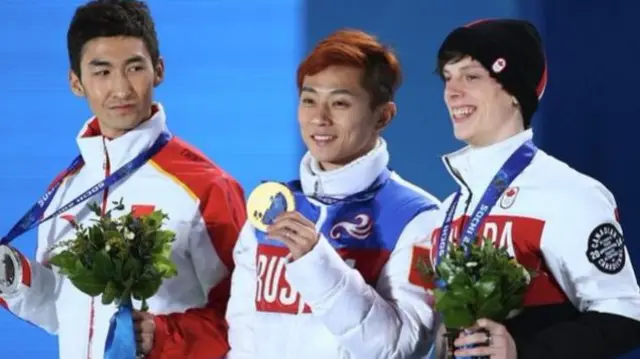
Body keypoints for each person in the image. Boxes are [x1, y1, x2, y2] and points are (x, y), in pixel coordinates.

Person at [0, 1, 246, 358]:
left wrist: (161, 337)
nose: (121, 89)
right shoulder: (66, 187)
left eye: (134, 68)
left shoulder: (206, 187)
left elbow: (245, 318)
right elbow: (64, 312)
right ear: (75, 82)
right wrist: (13, 278)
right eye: (101, 72)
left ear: (158, 70)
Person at [426, 18, 640, 359]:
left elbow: (625, 316)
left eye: (472, 76)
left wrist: (522, 352)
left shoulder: (569, 194)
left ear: (514, 92)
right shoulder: (448, 209)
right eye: (448, 77)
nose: (452, 92)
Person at [226, 29, 441, 359]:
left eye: (340, 103)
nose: (319, 118)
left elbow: (400, 348)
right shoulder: (271, 208)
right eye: (309, 100)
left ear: (383, 116)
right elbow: (243, 339)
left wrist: (316, 261)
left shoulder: (417, 217)